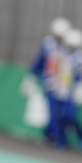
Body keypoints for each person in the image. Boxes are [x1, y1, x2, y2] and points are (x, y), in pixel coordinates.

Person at [29, 17, 71, 145]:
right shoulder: (47, 44)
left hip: (64, 85)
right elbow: (40, 61)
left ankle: (58, 136)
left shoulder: (68, 47)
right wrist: (32, 75)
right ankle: (51, 135)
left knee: (61, 112)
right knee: (50, 110)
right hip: (49, 82)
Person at [54, 28, 82, 151]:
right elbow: (58, 71)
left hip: (74, 92)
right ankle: (61, 142)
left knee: (70, 116)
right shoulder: (62, 54)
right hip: (62, 90)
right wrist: (54, 82)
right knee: (59, 116)